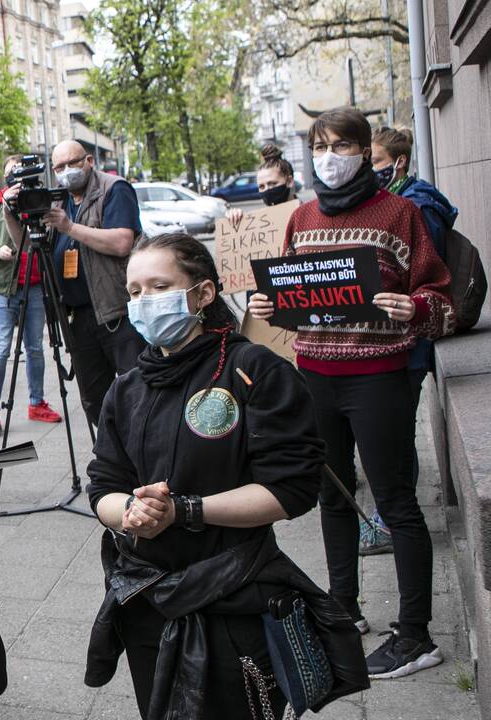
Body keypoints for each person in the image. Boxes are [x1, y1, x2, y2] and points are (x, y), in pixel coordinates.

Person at [86, 232, 366, 719]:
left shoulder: (255, 369)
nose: (144, 302)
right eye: (134, 292)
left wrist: (185, 511)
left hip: (236, 598)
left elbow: (292, 488)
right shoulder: (125, 390)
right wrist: (132, 514)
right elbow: (103, 486)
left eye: (159, 286)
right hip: (149, 600)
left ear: (203, 293)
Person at [249, 107, 455, 679]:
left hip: (379, 377)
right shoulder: (304, 216)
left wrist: (412, 306)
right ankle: (343, 608)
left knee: (396, 502)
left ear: (364, 152)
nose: (328, 157)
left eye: (340, 145)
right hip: (316, 376)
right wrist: (267, 307)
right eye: (319, 146)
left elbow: (440, 301)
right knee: (333, 495)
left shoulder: (400, 213)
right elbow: (292, 294)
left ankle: (415, 634)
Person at [359, 126, 459, 555]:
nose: (369, 169)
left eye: (375, 160)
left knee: (396, 438)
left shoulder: (416, 207)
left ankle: (392, 523)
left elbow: (423, 275)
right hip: (393, 342)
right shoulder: (397, 202)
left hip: (409, 344)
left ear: (397, 163)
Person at [4, 140, 144, 426]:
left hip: (117, 311)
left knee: (137, 393)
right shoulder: (56, 199)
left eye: (73, 163)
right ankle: (114, 458)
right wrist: (10, 213)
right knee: (94, 399)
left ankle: (145, 457)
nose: (67, 171)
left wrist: (69, 227)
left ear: (89, 160)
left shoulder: (113, 189)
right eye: (60, 167)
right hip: (75, 316)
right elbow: (30, 247)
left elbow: (121, 242)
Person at [0, 154, 62, 435]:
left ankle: (37, 402)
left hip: (34, 285)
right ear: (5, 177)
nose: (18, 179)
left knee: (35, 348)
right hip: (1, 288)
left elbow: (49, 237)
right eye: (13, 173)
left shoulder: (38, 200)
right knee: (0, 348)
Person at [225, 144, 298, 226]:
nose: (267, 189)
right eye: (262, 187)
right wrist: (235, 217)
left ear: (289, 181)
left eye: (272, 184)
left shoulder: (310, 214)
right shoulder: (262, 224)